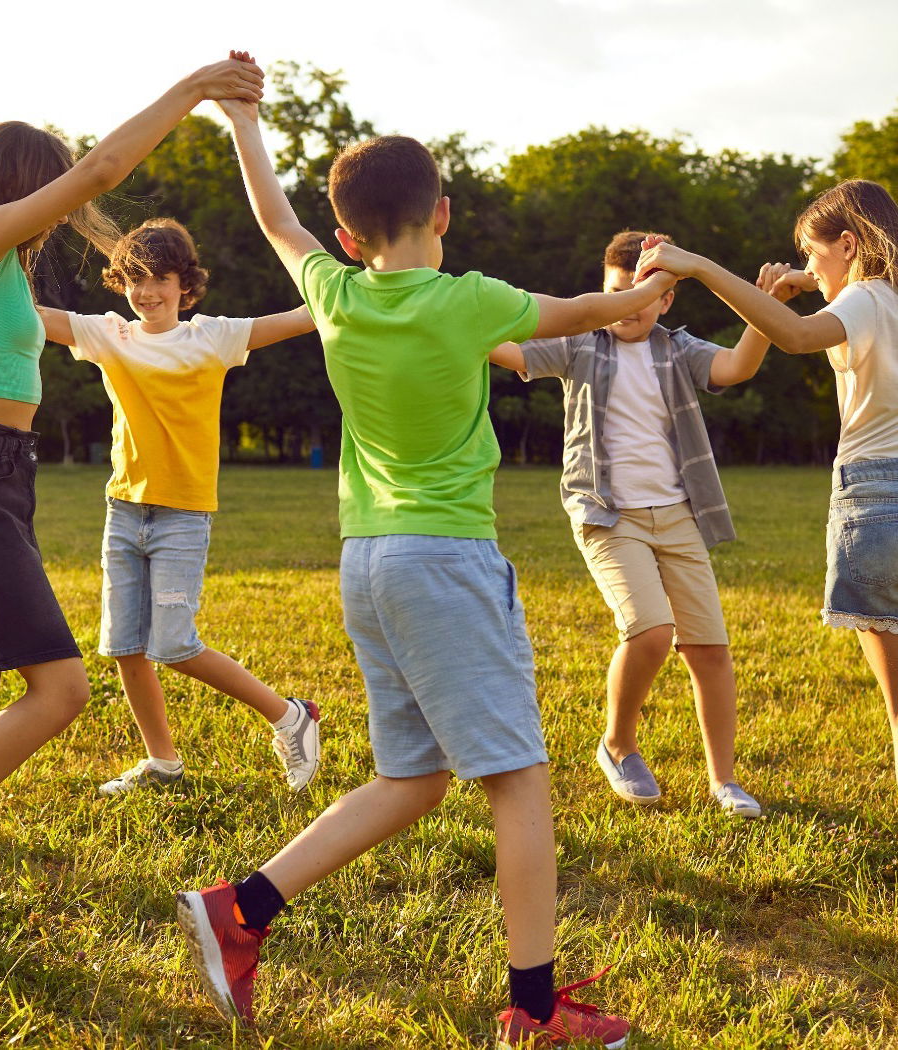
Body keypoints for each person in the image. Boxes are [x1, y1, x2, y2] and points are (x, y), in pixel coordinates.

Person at [174, 82, 679, 1049]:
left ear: (348, 232)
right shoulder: (470, 300)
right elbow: (599, 308)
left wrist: (243, 123)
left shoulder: (333, 290)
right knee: (521, 780)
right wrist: (656, 280)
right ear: (441, 213)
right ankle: (535, 1016)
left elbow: (275, 217)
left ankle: (240, 910)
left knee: (414, 778)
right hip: (445, 561)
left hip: (367, 561)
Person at [0, 53, 265, 953]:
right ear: (14, 187)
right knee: (63, 689)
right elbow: (103, 173)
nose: (61, 212)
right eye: (46, 193)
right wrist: (195, 90)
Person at [490, 230, 776, 818]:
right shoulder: (579, 343)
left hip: (678, 514)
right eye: (618, 292)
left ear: (667, 299)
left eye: (645, 294)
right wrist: (459, 316)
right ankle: (618, 744)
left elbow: (736, 367)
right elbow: (510, 350)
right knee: (650, 631)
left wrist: (766, 313)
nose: (631, 305)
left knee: (710, 649)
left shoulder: (678, 349)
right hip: (607, 512)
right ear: (603, 291)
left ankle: (723, 780)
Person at [37, 217, 321, 797]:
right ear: (121, 283)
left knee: (173, 645)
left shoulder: (212, 337)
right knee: (125, 646)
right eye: (136, 279)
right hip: (123, 511)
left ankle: (291, 716)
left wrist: (365, 277)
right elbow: (33, 318)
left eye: (161, 278)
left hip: (182, 516)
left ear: (185, 285)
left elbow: (304, 316)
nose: (148, 292)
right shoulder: (109, 334)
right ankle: (162, 763)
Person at [635, 179, 898, 789]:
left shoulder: (865, 298)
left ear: (852, 243)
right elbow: (817, 303)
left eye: (812, 253)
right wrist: (811, 279)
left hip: (878, 496)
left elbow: (798, 336)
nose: (807, 269)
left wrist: (699, 267)